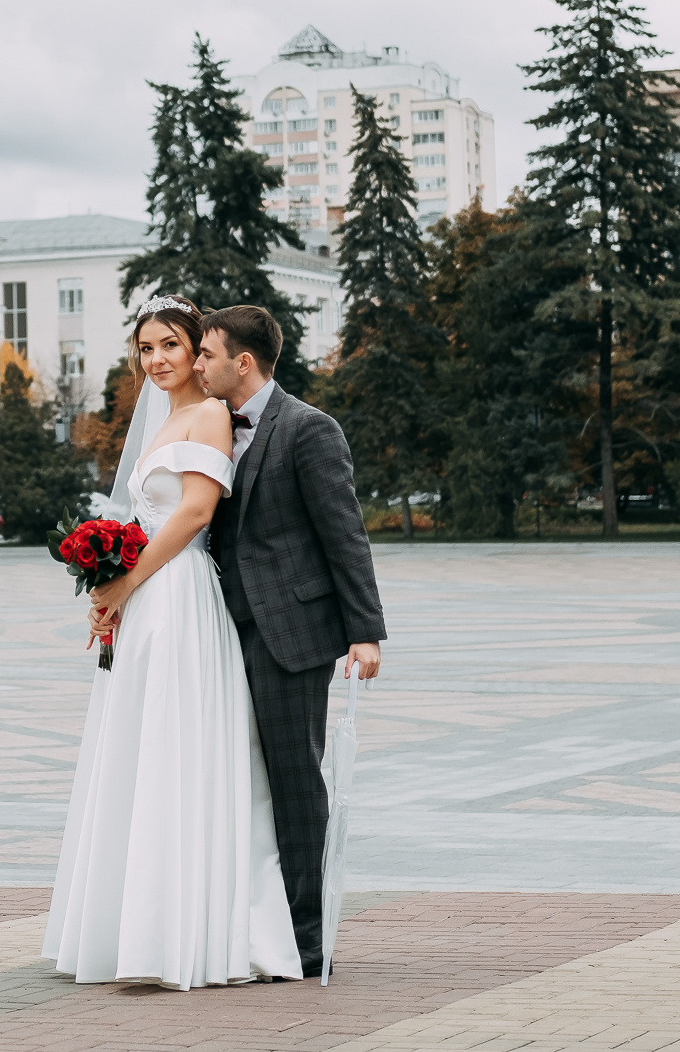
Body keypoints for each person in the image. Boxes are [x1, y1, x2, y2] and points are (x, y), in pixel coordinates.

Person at [42, 296, 299, 988]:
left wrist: (126, 584)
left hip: (180, 594)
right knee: (136, 748)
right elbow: (141, 514)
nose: (157, 359)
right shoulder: (155, 419)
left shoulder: (212, 413)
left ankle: (188, 932)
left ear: (198, 351)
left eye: (170, 345)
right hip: (146, 595)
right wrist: (109, 587)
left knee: (176, 746)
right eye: (145, 348)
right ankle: (133, 929)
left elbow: (192, 512)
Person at [194, 304, 386, 980]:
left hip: (291, 634)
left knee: (296, 782)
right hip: (219, 630)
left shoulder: (308, 428)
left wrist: (364, 631)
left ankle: (308, 939)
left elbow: (345, 533)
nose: (196, 365)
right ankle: (250, 925)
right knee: (238, 781)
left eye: (206, 354)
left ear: (242, 361)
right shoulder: (210, 425)